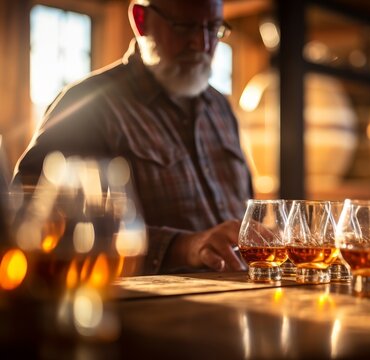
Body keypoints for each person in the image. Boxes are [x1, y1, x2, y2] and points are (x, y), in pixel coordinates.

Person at [13, 0, 252, 275]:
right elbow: (32, 217)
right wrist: (184, 246)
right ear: (141, 20)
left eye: (213, 28)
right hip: (142, 308)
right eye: (185, 27)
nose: (202, 44)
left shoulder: (219, 107)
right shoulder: (88, 104)